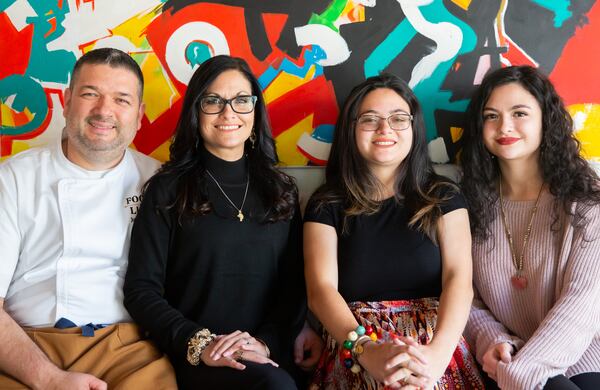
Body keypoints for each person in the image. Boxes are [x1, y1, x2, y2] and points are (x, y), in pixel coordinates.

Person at [123, 55, 322, 390]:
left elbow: (293, 288)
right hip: (194, 354)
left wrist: (264, 343)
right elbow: (141, 290)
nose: (229, 112)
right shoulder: (167, 188)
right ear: (196, 112)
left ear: (256, 112)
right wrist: (200, 344)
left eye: (241, 101)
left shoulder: (281, 191)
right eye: (213, 101)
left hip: (266, 350)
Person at [0, 48, 176, 389]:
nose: (103, 111)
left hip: (128, 351)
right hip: (26, 345)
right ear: (66, 102)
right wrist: (48, 378)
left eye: (121, 99)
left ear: (139, 115)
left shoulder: (160, 182)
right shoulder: (13, 178)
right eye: (90, 94)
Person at [303, 73, 484, 389]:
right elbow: (321, 291)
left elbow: (459, 279)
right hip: (356, 347)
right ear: (351, 129)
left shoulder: (444, 196)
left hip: (433, 345)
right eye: (370, 120)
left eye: (398, 119)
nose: (385, 129)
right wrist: (365, 349)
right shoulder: (326, 204)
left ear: (414, 127)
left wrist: (437, 356)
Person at [461, 65, 600, 390]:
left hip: (582, 358)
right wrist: (492, 340)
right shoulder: (468, 202)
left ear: (545, 120)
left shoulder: (585, 198)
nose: (504, 126)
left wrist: (525, 371)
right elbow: (465, 296)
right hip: (504, 359)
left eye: (519, 113)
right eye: (491, 115)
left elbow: (584, 300)